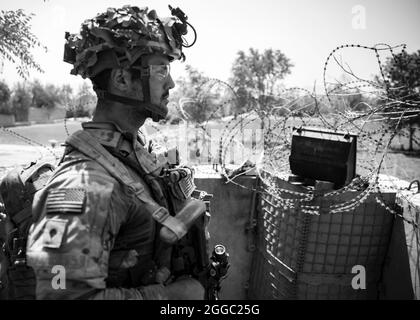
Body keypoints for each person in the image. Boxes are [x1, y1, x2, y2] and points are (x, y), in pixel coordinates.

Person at [26, 5, 205, 300]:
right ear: (122, 79)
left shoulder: (128, 149)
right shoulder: (85, 185)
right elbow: (60, 296)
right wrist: (170, 297)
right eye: (161, 70)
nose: (171, 83)